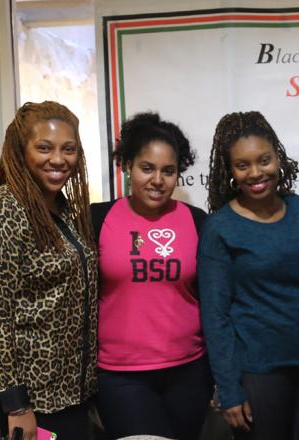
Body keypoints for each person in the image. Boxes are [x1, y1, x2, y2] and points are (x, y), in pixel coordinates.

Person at [198, 111, 299, 440]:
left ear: (278, 159)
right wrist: (228, 389)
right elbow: (215, 316)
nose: (256, 173)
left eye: (264, 160)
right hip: (258, 375)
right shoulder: (221, 228)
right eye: (243, 165)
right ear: (231, 171)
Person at [0, 101, 97, 440]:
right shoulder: (1, 211)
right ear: (21, 151)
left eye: (68, 149)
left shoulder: (66, 210)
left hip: (70, 397)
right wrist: (16, 405)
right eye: (44, 148)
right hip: (27, 404)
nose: (58, 159)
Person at [92, 112, 213, 439]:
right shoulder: (97, 218)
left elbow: (213, 298)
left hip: (189, 373)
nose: (157, 180)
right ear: (128, 166)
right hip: (121, 376)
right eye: (147, 168)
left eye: (168, 171)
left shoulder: (197, 221)